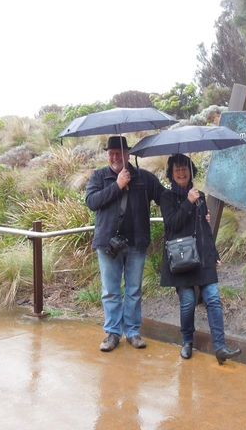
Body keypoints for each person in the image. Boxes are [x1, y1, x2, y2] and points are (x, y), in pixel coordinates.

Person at [159, 153, 241, 364]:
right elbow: (172, 225)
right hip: (182, 258)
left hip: (203, 257)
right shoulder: (167, 198)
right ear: (171, 174)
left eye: (184, 168)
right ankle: (187, 341)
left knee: (213, 299)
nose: (181, 172)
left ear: (191, 171)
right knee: (187, 303)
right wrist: (188, 202)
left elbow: (205, 228)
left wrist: (214, 254)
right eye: (177, 169)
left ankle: (220, 347)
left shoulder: (200, 196)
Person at [86, 136, 165, 352]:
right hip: (108, 245)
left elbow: (164, 197)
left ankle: (132, 331)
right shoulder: (99, 176)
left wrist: (190, 202)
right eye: (110, 154)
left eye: (118, 153)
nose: (114, 157)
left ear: (127, 155)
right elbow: (92, 202)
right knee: (110, 291)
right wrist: (118, 186)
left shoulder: (144, 178)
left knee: (134, 290)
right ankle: (112, 333)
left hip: (136, 243)